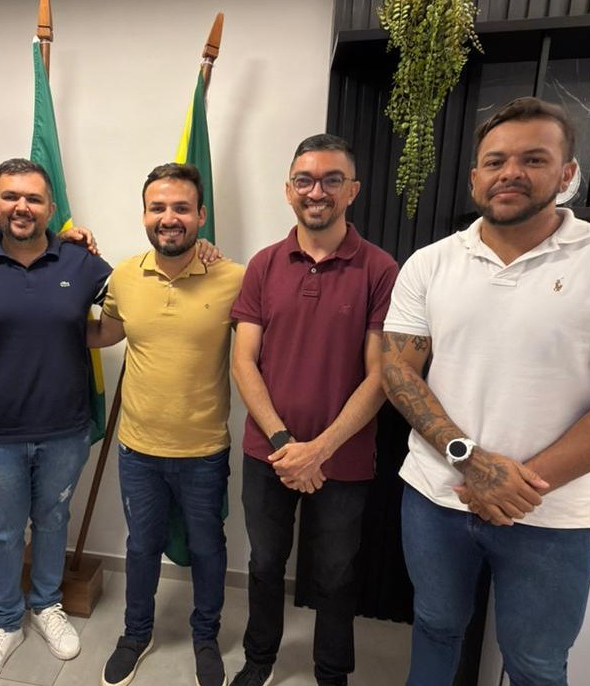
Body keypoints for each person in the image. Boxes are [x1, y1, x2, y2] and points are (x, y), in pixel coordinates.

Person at [380, 96, 590, 686]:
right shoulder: (429, 264)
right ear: (475, 177)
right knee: (434, 628)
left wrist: (516, 486)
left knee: (535, 662)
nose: (510, 173)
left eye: (533, 159)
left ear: (567, 173)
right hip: (436, 497)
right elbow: (399, 372)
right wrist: (472, 462)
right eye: (495, 161)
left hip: (551, 511)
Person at [0, 158, 111, 686]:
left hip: (65, 430)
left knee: (53, 521)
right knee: (3, 532)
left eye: (33, 197)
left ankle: (46, 604)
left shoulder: (82, 263)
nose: (21, 206)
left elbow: (125, 315)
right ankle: (6, 623)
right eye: (10, 196)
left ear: (51, 207)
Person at [228, 134, 399, 686]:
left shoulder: (380, 269)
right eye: (304, 180)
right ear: (289, 190)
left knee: (336, 572)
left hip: (342, 460)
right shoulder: (264, 265)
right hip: (269, 454)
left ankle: (332, 672)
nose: (316, 192)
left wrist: (318, 450)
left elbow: (381, 376)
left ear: (352, 191)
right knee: (263, 564)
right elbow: (243, 362)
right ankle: (259, 660)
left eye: (331, 180)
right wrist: (286, 445)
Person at [86, 163, 244, 686]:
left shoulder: (234, 278)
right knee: (140, 547)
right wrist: (46, 319)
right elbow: (105, 333)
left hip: (204, 451)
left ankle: (206, 636)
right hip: (138, 449)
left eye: (181, 208)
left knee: (208, 549)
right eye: (158, 208)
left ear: (201, 215)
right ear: (144, 215)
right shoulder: (124, 276)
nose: (169, 217)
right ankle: (136, 634)